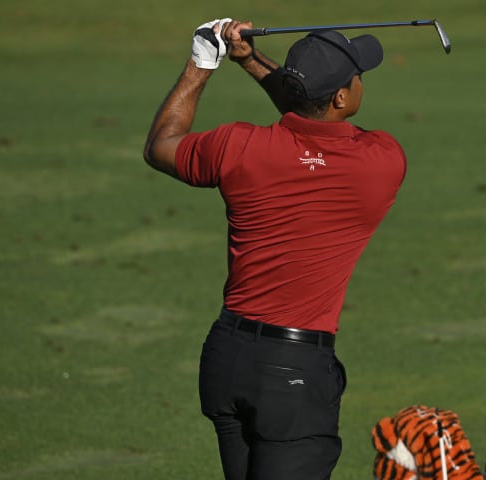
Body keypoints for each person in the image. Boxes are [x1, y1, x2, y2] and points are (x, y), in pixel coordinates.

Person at [143, 18, 406, 480]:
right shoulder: (380, 160)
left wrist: (204, 62)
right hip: (295, 373)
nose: (360, 83)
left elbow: (162, 145)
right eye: (357, 76)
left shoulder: (238, 145)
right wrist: (254, 64)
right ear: (343, 98)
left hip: (226, 358)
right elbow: (309, 119)